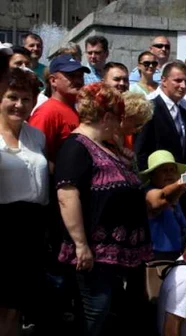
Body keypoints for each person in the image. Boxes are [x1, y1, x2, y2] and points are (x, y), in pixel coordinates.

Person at [55, 83, 152, 335]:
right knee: (94, 311)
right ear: (107, 117)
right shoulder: (77, 146)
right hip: (94, 252)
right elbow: (67, 195)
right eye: (117, 118)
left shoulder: (104, 147)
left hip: (114, 253)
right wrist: (80, 244)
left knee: (106, 312)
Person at [0, 68, 47, 336]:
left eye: (26, 99)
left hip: (32, 227)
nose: (19, 104)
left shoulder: (36, 136)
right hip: (3, 225)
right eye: (12, 97)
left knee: (19, 304)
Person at [28, 54, 89, 166]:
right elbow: (34, 156)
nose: (78, 80)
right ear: (53, 80)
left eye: (80, 76)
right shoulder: (47, 112)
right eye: (71, 75)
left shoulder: (76, 109)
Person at [143, 150, 186, 261]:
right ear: (152, 175)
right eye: (164, 171)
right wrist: (180, 183)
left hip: (177, 253)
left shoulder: (175, 194)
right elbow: (158, 200)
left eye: (172, 170)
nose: (169, 174)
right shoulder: (148, 192)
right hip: (157, 256)